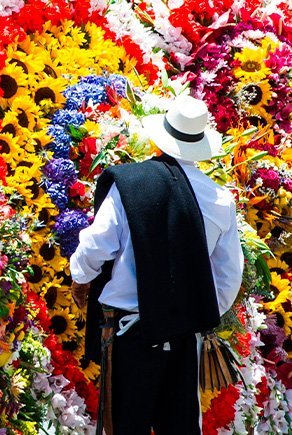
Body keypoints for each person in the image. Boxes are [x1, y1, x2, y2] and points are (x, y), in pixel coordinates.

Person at [68, 95, 244, 434]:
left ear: (161, 137)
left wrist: (80, 277)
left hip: (129, 334)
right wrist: (191, 314)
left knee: (124, 425)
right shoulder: (220, 200)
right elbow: (227, 277)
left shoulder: (130, 185)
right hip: (181, 339)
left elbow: (95, 245)